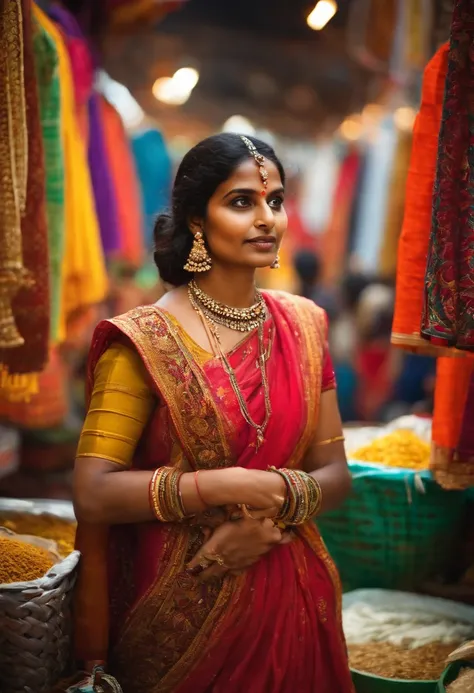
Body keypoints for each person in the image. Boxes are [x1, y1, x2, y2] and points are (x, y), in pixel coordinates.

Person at [73, 133, 354, 693]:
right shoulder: (144, 341)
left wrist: (265, 522)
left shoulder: (304, 326)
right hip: (177, 603)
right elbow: (93, 493)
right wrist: (227, 484)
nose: (266, 219)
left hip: (289, 592)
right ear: (197, 218)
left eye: (274, 201)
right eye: (242, 201)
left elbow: (337, 475)